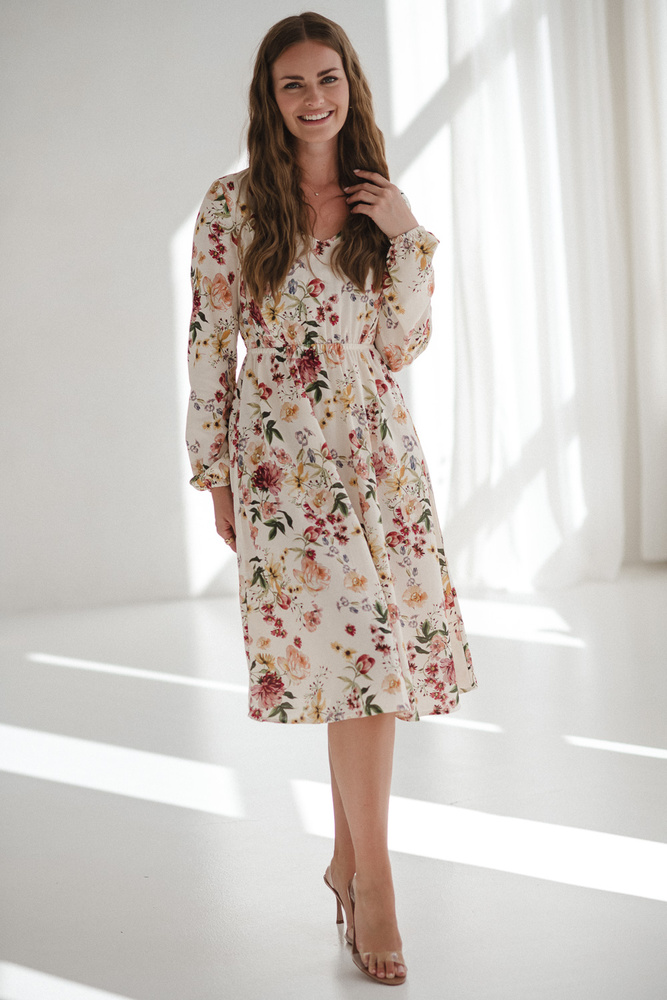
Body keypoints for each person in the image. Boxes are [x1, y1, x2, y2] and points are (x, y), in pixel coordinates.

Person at [185, 11, 477, 986]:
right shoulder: (231, 207)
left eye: (328, 79)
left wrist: (409, 239)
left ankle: (355, 867)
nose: (314, 99)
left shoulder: (374, 202)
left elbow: (400, 344)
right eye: (293, 84)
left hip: (378, 461)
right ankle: (374, 880)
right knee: (352, 659)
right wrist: (214, 473)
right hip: (285, 469)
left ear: (351, 86)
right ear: (270, 101)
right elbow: (208, 348)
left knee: (369, 663)